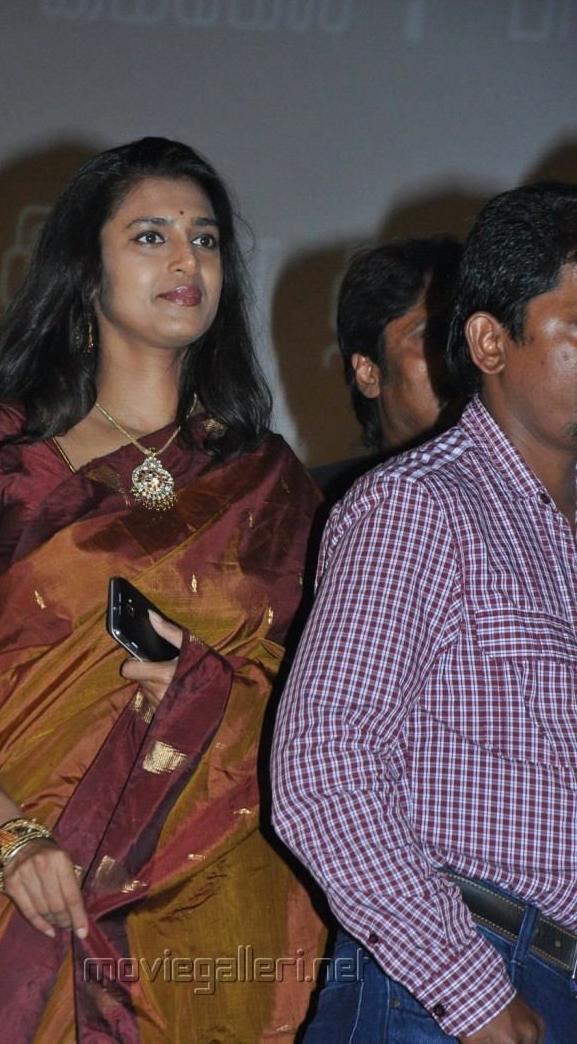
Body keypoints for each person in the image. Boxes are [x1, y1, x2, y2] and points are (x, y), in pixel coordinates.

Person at [0, 137, 324, 1043]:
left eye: (203, 239)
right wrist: (12, 839)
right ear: (86, 270)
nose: (186, 259)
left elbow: (323, 700)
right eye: (150, 236)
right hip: (11, 872)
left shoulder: (267, 480)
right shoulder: (4, 455)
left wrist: (211, 695)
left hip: (210, 891)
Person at [271, 181, 577, 1043]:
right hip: (462, 988)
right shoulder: (419, 506)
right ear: (489, 340)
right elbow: (323, 769)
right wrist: (475, 996)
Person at [314, 236, 463, 502]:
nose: (459, 357)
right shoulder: (312, 506)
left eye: (468, 337)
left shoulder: (536, 494)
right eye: (433, 335)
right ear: (368, 372)